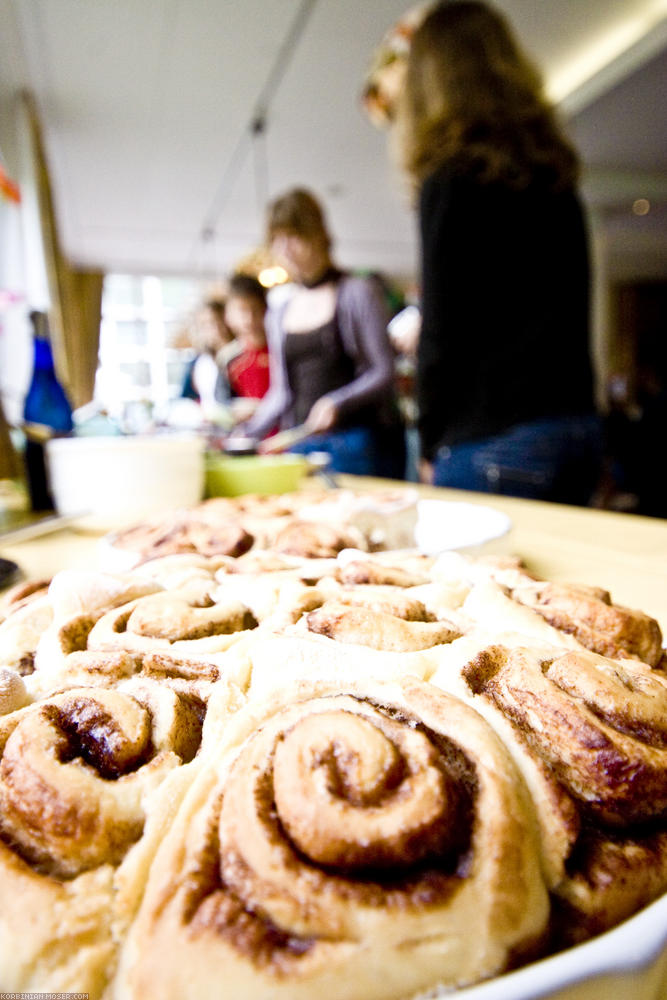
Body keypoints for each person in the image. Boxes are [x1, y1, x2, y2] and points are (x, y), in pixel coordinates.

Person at [391, 0, 602, 504]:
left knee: (483, 585)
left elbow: (443, 332)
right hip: (575, 428)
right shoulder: (556, 175)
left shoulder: (450, 178)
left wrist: (429, 437)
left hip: (493, 438)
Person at [240, 187, 406, 479]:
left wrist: (337, 402)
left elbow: (383, 371)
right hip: (302, 444)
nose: (286, 250)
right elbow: (281, 393)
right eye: (278, 241)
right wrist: (243, 436)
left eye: (294, 237)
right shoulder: (279, 312)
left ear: (317, 234)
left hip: (359, 444)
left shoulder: (357, 292)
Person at [223, 273, 271, 403]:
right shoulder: (228, 358)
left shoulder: (281, 350)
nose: (249, 320)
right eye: (242, 311)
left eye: (256, 310)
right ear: (228, 315)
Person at [181, 298, 236, 408]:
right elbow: (185, 398)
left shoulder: (240, 357)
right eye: (207, 324)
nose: (216, 329)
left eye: (219, 321)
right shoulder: (198, 362)